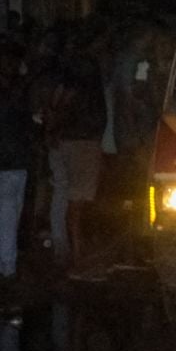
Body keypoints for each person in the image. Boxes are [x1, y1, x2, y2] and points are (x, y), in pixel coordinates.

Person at [46, 30, 108, 268]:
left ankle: (64, 244)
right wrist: (54, 127)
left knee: (64, 193)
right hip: (80, 140)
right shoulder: (84, 68)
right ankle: (76, 251)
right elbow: (64, 98)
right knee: (77, 197)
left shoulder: (69, 67)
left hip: (69, 139)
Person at [0, 41, 35, 285]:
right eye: (7, 62)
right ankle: (7, 270)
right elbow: (2, 123)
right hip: (2, 162)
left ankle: (2, 266)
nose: (12, 66)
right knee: (6, 216)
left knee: (9, 217)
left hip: (14, 161)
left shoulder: (11, 93)